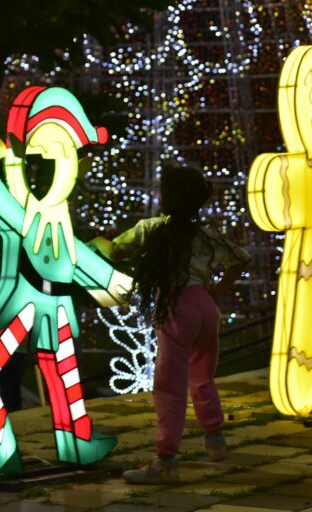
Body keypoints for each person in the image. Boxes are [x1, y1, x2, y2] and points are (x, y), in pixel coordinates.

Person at [89, 164, 251, 484]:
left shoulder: (151, 229)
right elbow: (241, 258)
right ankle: (214, 439)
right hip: (205, 305)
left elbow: (115, 249)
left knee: (169, 385)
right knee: (202, 375)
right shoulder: (206, 234)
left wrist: (94, 243)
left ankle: (165, 461)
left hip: (176, 307)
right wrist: (218, 289)